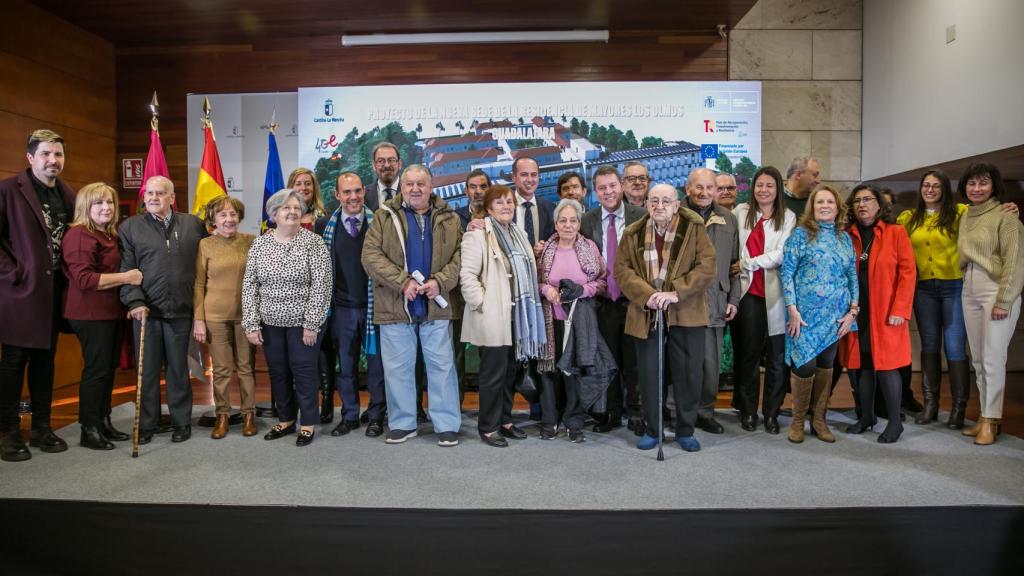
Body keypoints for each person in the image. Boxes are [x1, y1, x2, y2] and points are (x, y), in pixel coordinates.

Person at [361, 165, 463, 446]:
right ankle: (403, 423)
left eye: (421, 184)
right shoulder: (384, 217)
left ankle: (446, 424)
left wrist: (440, 282)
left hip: (435, 304)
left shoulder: (450, 218)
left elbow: (459, 256)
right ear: (401, 187)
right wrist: (402, 282)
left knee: (442, 367)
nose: (415, 189)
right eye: (410, 184)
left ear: (431, 187)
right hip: (396, 305)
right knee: (397, 369)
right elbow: (370, 257)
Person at [616, 183, 716, 452]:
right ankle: (652, 429)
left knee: (688, 375)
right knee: (649, 376)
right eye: (654, 201)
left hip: (686, 312)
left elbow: (707, 267)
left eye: (665, 201)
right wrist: (648, 295)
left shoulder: (694, 229)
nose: (659, 206)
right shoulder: (633, 232)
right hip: (646, 313)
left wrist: (675, 293)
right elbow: (622, 270)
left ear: (676, 205)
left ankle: (685, 430)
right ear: (647, 204)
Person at [0, 129, 76, 462]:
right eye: (46, 154)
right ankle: (9, 432)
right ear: (31, 158)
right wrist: (13, 274)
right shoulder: (7, 191)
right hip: (20, 293)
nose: (53, 160)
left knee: (46, 362)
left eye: (58, 154)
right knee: (14, 362)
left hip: (53, 293)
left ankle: (43, 427)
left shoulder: (68, 193)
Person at [898, 171, 991, 429]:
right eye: (926, 185)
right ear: (920, 188)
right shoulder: (908, 218)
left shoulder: (960, 212)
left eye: (936, 186)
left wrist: (1008, 209)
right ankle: (931, 404)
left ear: (944, 189)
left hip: (955, 286)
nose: (930, 190)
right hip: (923, 288)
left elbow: (987, 215)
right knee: (929, 345)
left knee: (954, 346)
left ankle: (959, 408)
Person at [120, 175, 207, 444]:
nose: (154, 198)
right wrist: (135, 302)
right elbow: (126, 269)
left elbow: (205, 265)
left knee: (178, 369)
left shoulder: (192, 224)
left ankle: (181, 422)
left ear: (172, 197)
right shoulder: (130, 227)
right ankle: (148, 423)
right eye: (149, 194)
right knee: (146, 372)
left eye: (160, 193)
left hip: (181, 310)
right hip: (146, 311)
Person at [461, 185, 550, 446]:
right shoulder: (478, 235)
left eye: (509, 202)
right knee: (493, 375)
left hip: (517, 317)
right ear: (488, 208)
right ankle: (488, 426)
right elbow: (467, 276)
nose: (506, 206)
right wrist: (482, 304)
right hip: (493, 315)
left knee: (511, 373)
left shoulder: (519, 234)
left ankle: (505, 420)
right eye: (499, 202)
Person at [242, 189, 332, 447]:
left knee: (304, 373)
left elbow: (322, 286)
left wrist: (312, 323)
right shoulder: (260, 244)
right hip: (270, 324)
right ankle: (286, 419)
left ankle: (307, 423)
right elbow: (250, 285)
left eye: (296, 207)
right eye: (285, 208)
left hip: (303, 324)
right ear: (273, 214)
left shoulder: (313, 242)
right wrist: (251, 323)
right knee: (278, 372)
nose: (292, 212)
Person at [62, 183, 142, 450]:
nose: (106, 207)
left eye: (109, 202)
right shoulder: (79, 235)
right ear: (86, 206)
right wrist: (127, 277)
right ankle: (89, 428)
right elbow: (84, 279)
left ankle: (104, 420)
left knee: (108, 370)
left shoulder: (107, 234)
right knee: (96, 371)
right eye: (98, 203)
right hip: (90, 314)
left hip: (110, 313)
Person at [839, 184, 916, 443]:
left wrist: (900, 309)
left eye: (868, 200)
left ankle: (895, 422)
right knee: (862, 366)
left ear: (879, 204)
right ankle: (866, 416)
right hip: (855, 311)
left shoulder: (896, 233)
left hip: (886, 312)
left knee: (887, 366)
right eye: (857, 201)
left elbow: (908, 273)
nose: (862, 205)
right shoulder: (846, 235)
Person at [781, 185, 858, 444]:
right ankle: (797, 420)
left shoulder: (845, 238)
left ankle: (819, 420)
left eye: (829, 202)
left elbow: (851, 277)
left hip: (835, 316)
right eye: (819, 202)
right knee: (805, 366)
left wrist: (853, 311)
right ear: (812, 208)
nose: (824, 206)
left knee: (827, 364)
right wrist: (791, 309)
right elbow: (787, 273)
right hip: (802, 316)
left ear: (838, 207)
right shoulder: (800, 235)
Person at [315, 172, 387, 438]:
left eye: (358, 191)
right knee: (345, 368)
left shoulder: (379, 221)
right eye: (347, 192)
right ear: (337, 196)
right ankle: (349, 416)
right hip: (342, 309)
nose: (354, 197)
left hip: (375, 307)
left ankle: (377, 415)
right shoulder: (324, 226)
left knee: (377, 367)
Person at [956, 163, 1023, 446]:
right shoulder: (966, 216)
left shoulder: (1006, 217)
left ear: (994, 186)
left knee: (994, 358)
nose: (977, 188)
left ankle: (991, 419)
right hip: (969, 287)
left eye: (983, 183)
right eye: (971, 183)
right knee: (980, 359)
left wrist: (1004, 299)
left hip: (995, 290)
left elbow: (1015, 262)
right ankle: (986, 417)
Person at [579, 166, 646, 434]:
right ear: (595, 192)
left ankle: (637, 414)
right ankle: (612, 413)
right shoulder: (587, 220)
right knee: (608, 362)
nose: (608, 192)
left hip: (634, 302)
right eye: (602, 188)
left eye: (612, 186)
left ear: (621, 185)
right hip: (602, 303)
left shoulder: (641, 216)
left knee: (635, 362)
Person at [731, 166, 796, 434]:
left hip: (776, 295)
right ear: (752, 188)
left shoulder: (788, 217)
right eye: (759, 185)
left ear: (778, 189)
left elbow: (781, 254)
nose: (764, 190)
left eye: (769, 185)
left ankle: (771, 413)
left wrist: (747, 263)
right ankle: (748, 411)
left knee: (777, 359)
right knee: (748, 356)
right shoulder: (739, 213)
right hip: (747, 294)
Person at [537, 198, 608, 442]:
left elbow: (601, 282)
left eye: (573, 220)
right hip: (550, 319)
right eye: (563, 220)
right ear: (555, 224)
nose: (568, 225)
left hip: (580, 321)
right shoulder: (545, 250)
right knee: (549, 372)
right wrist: (547, 290)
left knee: (574, 372)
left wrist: (582, 290)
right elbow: (535, 280)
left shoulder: (589, 247)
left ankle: (574, 421)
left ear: (579, 223)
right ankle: (549, 420)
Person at [192, 194, 257, 439]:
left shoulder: (251, 241)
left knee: (246, 368)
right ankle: (222, 415)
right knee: (220, 370)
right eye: (223, 214)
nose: (229, 219)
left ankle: (249, 414)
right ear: (213, 219)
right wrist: (198, 318)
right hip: (214, 316)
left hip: (246, 316)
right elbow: (198, 284)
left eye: (233, 214)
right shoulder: (205, 245)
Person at [685, 168, 740, 434]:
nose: (704, 193)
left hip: (716, 301)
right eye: (699, 187)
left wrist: (734, 299)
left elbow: (734, 266)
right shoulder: (676, 215)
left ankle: (705, 412)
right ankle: (676, 410)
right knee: (682, 361)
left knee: (710, 362)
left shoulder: (728, 219)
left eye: (709, 188)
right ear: (688, 189)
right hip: (682, 303)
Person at [287, 167, 335, 423]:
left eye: (308, 183)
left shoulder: (324, 219)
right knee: (297, 354)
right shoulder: (284, 218)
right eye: (298, 183)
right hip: (293, 298)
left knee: (324, 352)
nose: (303, 188)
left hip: (322, 295)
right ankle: (297, 405)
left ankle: (326, 403)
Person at [511, 156, 554, 250]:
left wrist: (545, 248)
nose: (530, 179)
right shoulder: (503, 206)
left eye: (534, 175)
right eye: (524, 174)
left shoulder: (550, 208)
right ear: (513, 177)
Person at [365, 142, 403, 211]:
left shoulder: (411, 192)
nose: (387, 165)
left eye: (391, 160)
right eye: (381, 161)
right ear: (374, 165)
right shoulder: (363, 195)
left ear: (399, 164)